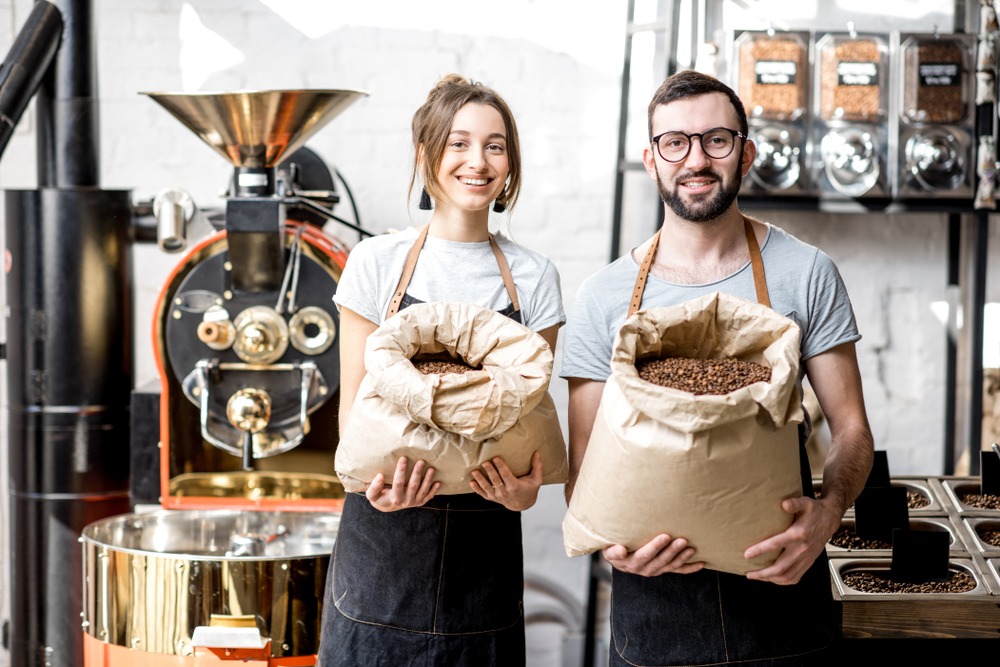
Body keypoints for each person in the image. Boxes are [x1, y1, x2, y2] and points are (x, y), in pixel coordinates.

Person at [560, 70, 874, 666]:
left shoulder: (805, 272)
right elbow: (582, 471)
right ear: (651, 160)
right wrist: (613, 547)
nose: (696, 159)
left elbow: (852, 428)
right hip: (655, 605)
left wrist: (828, 514)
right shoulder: (604, 297)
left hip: (780, 588)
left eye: (717, 140)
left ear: (746, 153)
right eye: (675, 142)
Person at [318, 73, 565, 667]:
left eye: (495, 145)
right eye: (458, 143)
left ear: (510, 163)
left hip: (485, 551)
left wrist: (528, 492)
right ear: (427, 155)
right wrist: (372, 487)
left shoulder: (533, 278)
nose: (477, 161)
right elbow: (352, 412)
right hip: (380, 550)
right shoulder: (376, 263)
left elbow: (530, 421)